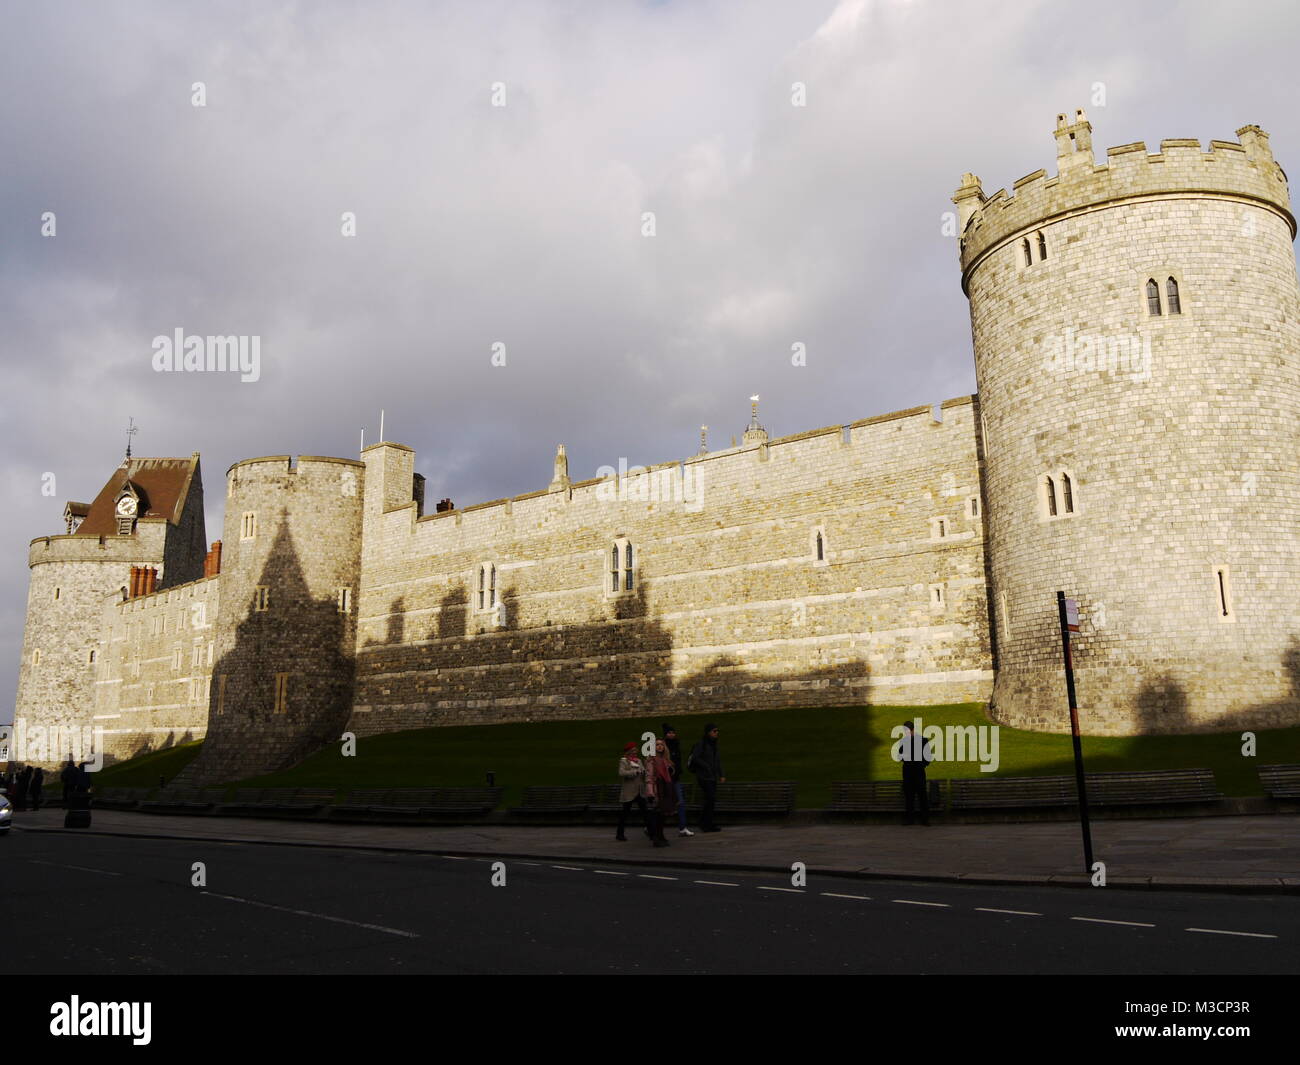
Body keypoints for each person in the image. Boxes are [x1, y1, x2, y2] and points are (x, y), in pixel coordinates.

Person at [688, 722, 724, 833]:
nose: (716, 733)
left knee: (710, 800)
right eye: (714, 731)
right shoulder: (702, 744)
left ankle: (706, 822)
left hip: (712, 777)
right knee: (710, 799)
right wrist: (706, 766)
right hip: (704, 777)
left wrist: (721, 774)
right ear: (708, 732)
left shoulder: (714, 745)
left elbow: (717, 761)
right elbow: (695, 757)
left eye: (717, 731)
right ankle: (706, 824)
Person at [896, 720, 934, 826]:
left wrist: (919, 764)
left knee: (920, 797)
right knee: (911, 797)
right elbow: (899, 756)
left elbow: (928, 758)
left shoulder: (921, 740)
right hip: (912, 773)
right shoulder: (909, 741)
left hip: (915, 772)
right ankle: (915, 820)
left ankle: (921, 820)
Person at [615, 742, 653, 844]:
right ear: (629, 751)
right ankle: (620, 834)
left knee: (646, 813)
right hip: (629, 792)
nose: (635, 752)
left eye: (636, 750)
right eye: (633, 750)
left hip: (639, 791)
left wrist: (645, 772)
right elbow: (621, 773)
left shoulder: (639, 761)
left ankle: (652, 832)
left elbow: (643, 772)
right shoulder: (624, 761)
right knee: (625, 814)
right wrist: (634, 772)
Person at [662, 722, 693, 837]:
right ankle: (651, 826)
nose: (672, 734)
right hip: (666, 779)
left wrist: (677, 771)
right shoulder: (663, 746)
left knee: (680, 802)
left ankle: (683, 827)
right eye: (669, 733)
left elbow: (678, 762)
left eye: (673, 732)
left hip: (675, 779)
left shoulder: (676, 744)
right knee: (663, 805)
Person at [644, 738, 675, 847]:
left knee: (663, 815)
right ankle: (657, 837)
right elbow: (649, 777)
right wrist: (651, 793)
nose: (660, 746)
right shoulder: (651, 760)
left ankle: (660, 835)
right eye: (657, 745)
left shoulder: (665, 760)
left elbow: (670, 774)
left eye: (661, 744)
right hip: (658, 788)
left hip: (666, 788)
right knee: (658, 814)